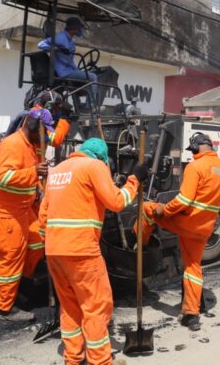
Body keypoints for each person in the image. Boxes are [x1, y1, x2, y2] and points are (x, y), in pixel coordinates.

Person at [39, 138, 147, 365]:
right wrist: (134, 180)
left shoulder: (57, 171)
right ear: (101, 157)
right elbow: (116, 202)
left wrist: (53, 242)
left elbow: (43, 217)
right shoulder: (94, 166)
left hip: (54, 250)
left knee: (69, 307)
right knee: (96, 305)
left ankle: (73, 358)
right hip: (81, 250)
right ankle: (101, 361)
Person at [137, 132, 220, 331]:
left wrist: (164, 209)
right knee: (193, 266)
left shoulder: (196, 166)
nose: (192, 153)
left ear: (197, 146)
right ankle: (191, 314)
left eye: (193, 150)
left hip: (188, 223)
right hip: (205, 227)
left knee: (146, 209)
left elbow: (185, 199)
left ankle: (140, 248)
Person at [0, 108, 53, 321]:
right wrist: (34, 173)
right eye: (43, 131)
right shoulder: (13, 144)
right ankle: (5, 309)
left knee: (38, 240)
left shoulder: (32, 144)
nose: (45, 136)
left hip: (21, 209)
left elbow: (52, 142)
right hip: (2, 211)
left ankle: (13, 285)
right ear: (32, 126)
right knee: (12, 254)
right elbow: (3, 177)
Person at [37, 16, 99, 106]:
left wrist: (78, 71)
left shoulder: (70, 41)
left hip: (68, 70)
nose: (80, 30)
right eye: (79, 28)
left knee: (86, 76)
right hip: (64, 72)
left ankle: (79, 106)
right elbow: (41, 44)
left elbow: (70, 61)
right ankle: (90, 107)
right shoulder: (61, 37)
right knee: (93, 77)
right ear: (74, 28)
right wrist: (56, 49)